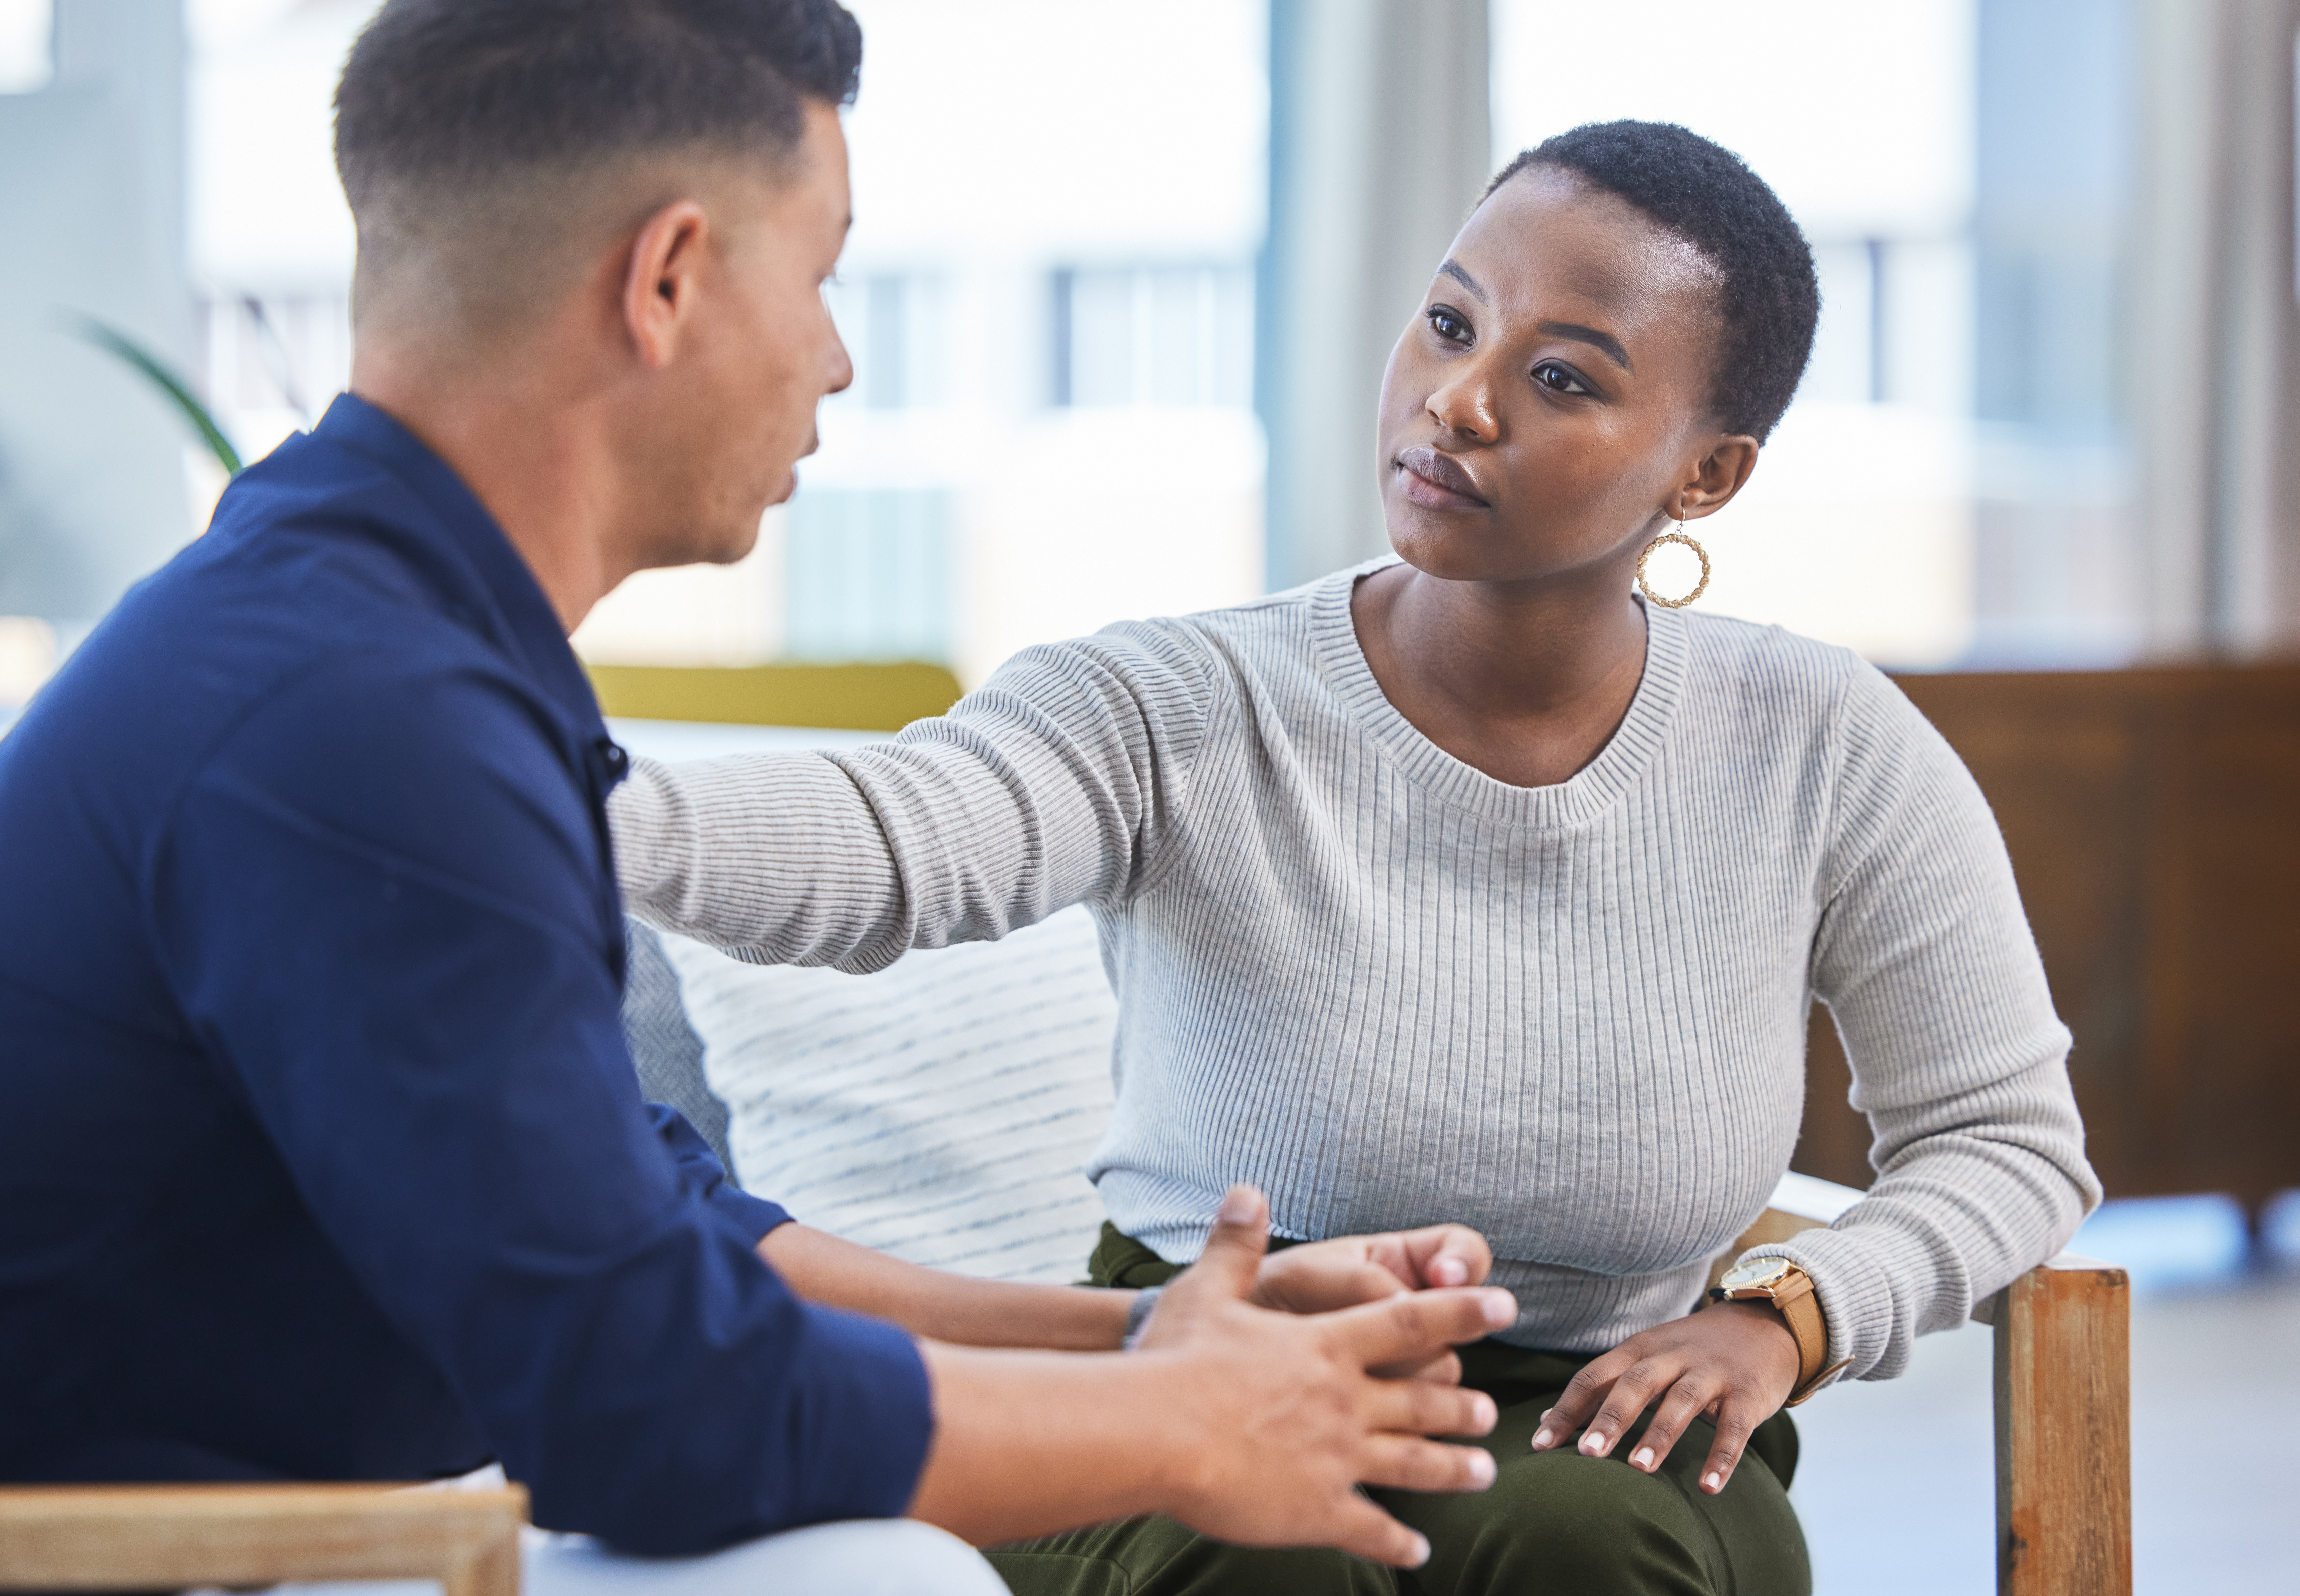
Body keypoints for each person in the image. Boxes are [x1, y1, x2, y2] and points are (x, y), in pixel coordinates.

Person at [0, 0, 1530, 1590]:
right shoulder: (356, 716)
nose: (838, 357)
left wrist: (1138, 1339)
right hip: (109, 1558)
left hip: (250, 1526)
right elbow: (649, 1413)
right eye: (818, 275)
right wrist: (1192, 1429)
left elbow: (664, 1230)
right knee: (881, 1577)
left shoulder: (366, 631)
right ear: (663, 282)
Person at [613, 121, 2104, 1594]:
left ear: (1703, 475)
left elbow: (2006, 1136)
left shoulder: (1821, 740)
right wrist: (548, 798)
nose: (1455, 401)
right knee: (1272, 1563)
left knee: (1595, 1545)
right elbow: (899, 838)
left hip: (1597, 1407)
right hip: (1204, 1355)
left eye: (1560, 377)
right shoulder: (1177, 699)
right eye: (1449, 323)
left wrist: (1788, 1316)